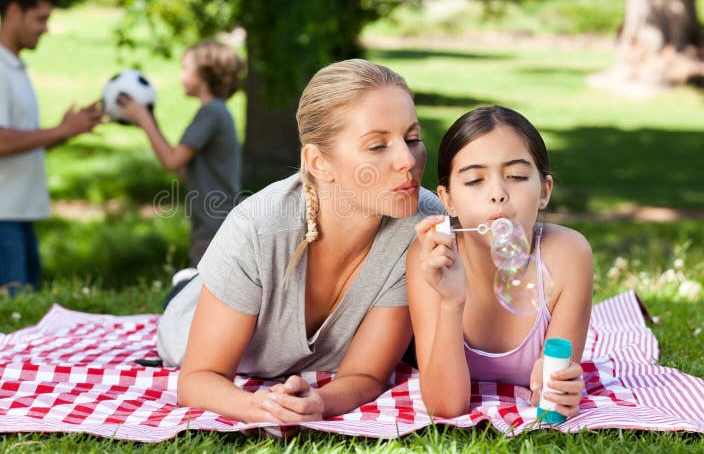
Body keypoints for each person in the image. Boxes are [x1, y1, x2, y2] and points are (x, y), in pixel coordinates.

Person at [154, 59, 444, 424]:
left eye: (412, 138)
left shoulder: (420, 224)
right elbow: (197, 380)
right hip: (189, 316)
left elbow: (366, 375)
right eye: (377, 146)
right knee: (190, 295)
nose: (407, 160)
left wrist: (319, 403)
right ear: (319, 162)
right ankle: (191, 282)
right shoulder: (258, 228)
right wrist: (262, 408)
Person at [407, 105, 593, 420]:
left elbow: (551, 392)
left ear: (545, 191)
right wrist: (451, 301)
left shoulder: (569, 255)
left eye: (517, 176)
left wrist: (559, 387)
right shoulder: (432, 258)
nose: (497, 194)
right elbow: (445, 407)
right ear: (447, 199)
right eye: (475, 180)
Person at [0, 0, 103, 293]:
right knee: (11, 309)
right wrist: (59, 129)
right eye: (41, 18)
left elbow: (18, 141)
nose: (46, 28)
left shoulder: (14, 68)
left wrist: (67, 132)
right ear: (13, 12)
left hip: (16, 210)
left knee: (25, 308)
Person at [117, 40, 243, 266]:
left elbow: (171, 161)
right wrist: (150, 122)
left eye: (185, 68)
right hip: (215, 226)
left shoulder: (211, 113)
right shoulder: (216, 112)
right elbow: (184, 168)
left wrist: (143, 118)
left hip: (214, 230)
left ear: (205, 76)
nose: (180, 76)